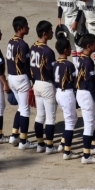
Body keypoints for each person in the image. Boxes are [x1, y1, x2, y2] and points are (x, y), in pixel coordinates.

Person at [6, 16, 36, 149]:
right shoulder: (22, 45)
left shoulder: (10, 41)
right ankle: (23, 141)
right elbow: (26, 65)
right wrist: (32, 80)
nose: (28, 27)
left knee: (21, 107)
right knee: (25, 110)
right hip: (21, 79)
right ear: (19, 28)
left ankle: (14, 135)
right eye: (26, 25)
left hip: (11, 78)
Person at [76, 34, 95, 164]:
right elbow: (90, 82)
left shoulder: (81, 58)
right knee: (89, 125)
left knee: (94, 122)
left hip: (81, 92)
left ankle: (93, 147)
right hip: (86, 93)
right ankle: (86, 156)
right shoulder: (88, 61)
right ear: (89, 46)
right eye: (94, 43)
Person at [30, 21, 57, 154]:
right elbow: (51, 71)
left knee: (40, 116)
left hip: (36, 84)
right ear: (45, 33)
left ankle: (40, 144)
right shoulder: (48, 51)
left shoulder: (33, 47)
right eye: (51, 31)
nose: (53, 33)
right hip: (46, 85)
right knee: (50, 117)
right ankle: (50, 146)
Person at [53, 38, 78, 160]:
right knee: (70, 122)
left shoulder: (55, 63)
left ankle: (63, 143)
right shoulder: (69, 65)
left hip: (58, 93)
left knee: (73, 119)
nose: (70, 50)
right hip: (67, 94)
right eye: (69, 48)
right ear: (65, 50)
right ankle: (67, 152)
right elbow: (74, 82)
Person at [52, 0, 81, 67]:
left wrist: (76, 22)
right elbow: (60, 6)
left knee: (78, 41)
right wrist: (59, 18)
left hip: (76, 18)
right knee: (70, 41)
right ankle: (75, 64)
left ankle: (80, 63)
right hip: (67, 18)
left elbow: (80, 9)